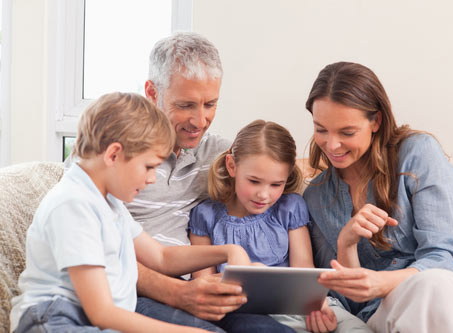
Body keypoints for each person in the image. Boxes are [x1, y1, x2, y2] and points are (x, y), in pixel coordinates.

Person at [10, 92, 253, 333]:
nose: (150, 179)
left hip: (90, 320)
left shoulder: (109, 203)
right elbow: (101, 312)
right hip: (57, 319)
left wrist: (228, 251)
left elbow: (161, 257)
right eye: (149, 167)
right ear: (113, 154)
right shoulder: (73, 204)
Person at [302, 61, 453, 333]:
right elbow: (350, 303)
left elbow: (452, 260)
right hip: (388, 312)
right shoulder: (317, 196)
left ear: (376, 121)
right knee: (429, 289)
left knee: (434, 285)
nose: (332, 145)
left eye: (347, 132)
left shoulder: (417, 155)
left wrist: (382, 283)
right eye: (321, 129)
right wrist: (346, 244)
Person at [128, 33, 295, 332]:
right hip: (139, 292)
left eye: (210, 104)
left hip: (204, 288)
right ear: (152, 93)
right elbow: (95, 254)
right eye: (186, 105)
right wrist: (179, 293)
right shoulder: (116, 158)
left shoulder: (218, 155)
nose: (200, 121)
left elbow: (273, 168)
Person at [189, 120, 373, 333]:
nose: (264, 194)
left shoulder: (290, 207)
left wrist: (316, 304)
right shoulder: (205, 216)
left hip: (299, 306)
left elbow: (304, 268)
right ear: (232, 166)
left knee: (356, 329)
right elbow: (203, 283)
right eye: (254, 181)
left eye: (276, 184)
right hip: (244, 314)